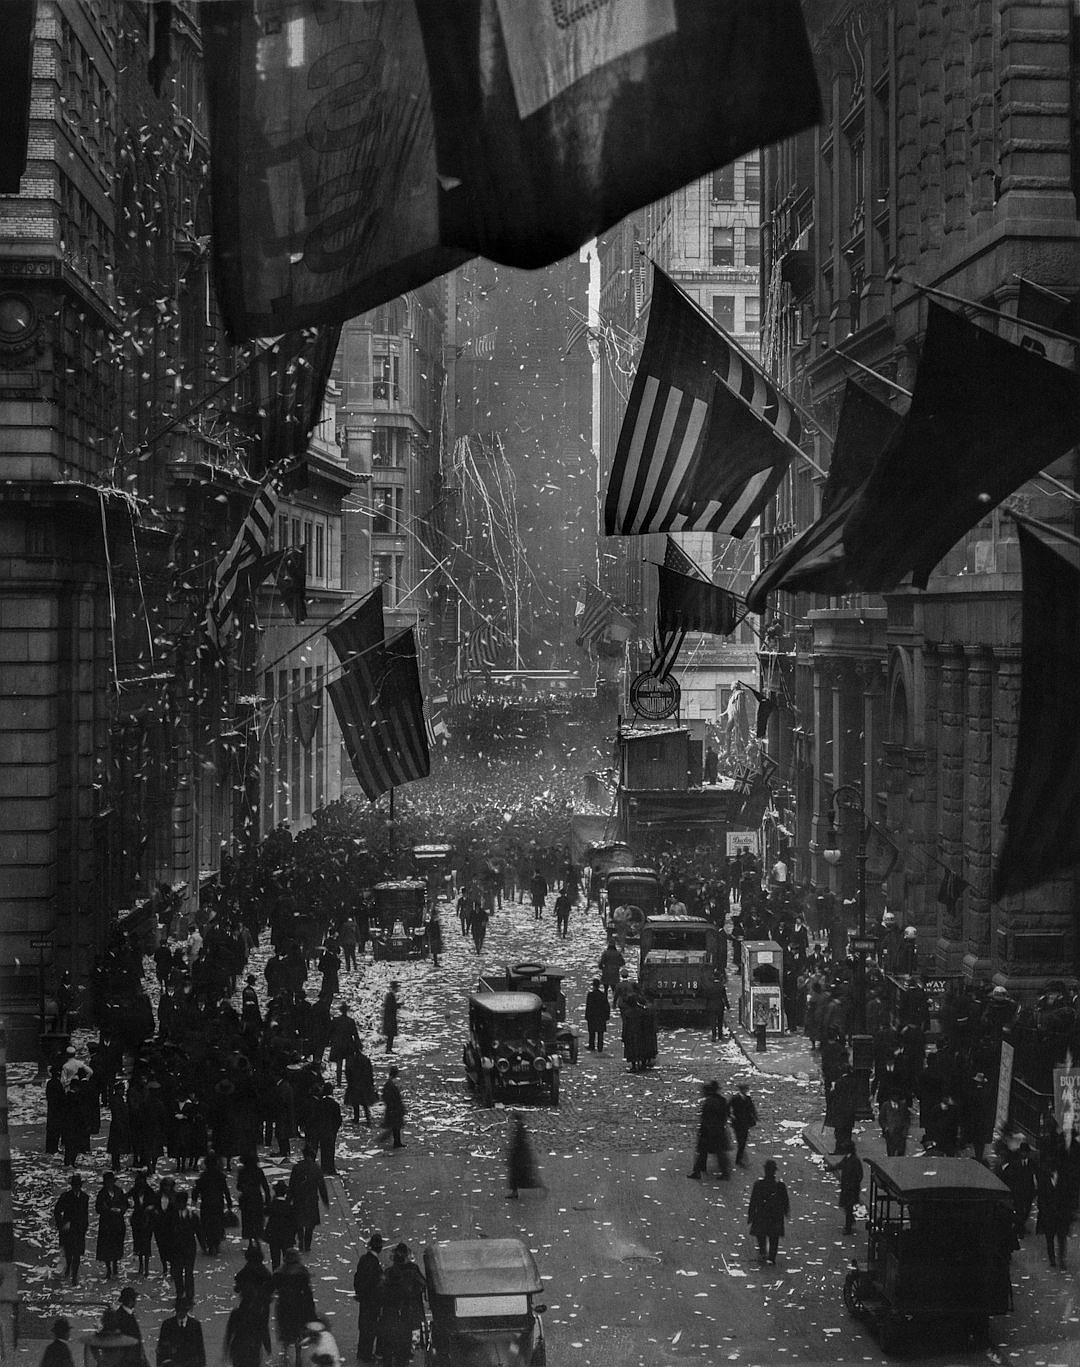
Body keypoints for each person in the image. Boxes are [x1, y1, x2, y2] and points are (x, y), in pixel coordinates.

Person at [377, 1244, 426, 1367]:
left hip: (390, 1316)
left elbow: (380, 1292)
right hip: (406, 1315)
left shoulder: (388, 1273)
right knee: (403, 1350)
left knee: (388, 1349)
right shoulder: (413, 1270)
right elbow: (422, 1285)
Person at [271, 1250, 316, 1359]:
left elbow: (272, 1287)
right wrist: (311, 1308)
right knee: (298, 1328)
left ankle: (285, 1350)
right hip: (298, 1304)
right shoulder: (302, 1272)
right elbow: (307, 1291)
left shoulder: (279, 1272)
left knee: (285, 1327)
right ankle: (298, 1354)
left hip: (284, 1304)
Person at [747, 1159, 790, 1265]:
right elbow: (785, 1202)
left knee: (761, 1235)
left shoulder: (758, 1185)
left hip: (762, 1215)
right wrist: (786, 1212)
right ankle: (772, 1256)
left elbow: (753, 1202)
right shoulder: (780, 1186)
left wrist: (751, 1215)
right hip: (775, 1216)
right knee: (774, 1238)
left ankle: (763, 1252)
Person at [287, 1146, 329, 1253]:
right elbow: (321, 1186)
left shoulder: (297, 1167)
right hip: (311, 1200)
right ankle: (307, 1244)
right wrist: (325, 1200)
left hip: (299, 1199)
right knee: (310, 1224)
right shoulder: (316, 1168)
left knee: (299, 1222)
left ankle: (301, 1240)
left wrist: (288, 1199)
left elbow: (291, 1185)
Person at [353, 1233, 385, 1366]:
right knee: (370, 1327)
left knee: (364, 1326)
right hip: (372, 1301)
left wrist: (359, 1293)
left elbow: (357, 1278)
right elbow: (374, 1283)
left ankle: (362, 1351)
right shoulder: (375, 1264)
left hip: (364, 1299)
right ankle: (366, 1354)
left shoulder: (364, 1259)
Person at [192, 1152, 231, 1256]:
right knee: (217, 1224)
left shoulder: (203, 1177)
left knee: (206, 1224)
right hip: (218, 1203)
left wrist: (194, 1201)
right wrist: (229, 1203)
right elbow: (226, 1190)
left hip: (206, 1203)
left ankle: (210, 1244)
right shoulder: (220, 1176)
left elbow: (196, 1191)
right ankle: (216, 1243)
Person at [53, 1173, 89, 1284]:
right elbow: (57, 1211)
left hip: (79, 1228)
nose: (77, 1187)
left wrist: (85, 1226)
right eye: (75, 1185)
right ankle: (69, 1267)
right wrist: (63, 1224)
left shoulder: (84, 1197)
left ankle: (74, 1275)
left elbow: (85, 1213)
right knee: (69, 1252)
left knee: (77, 1253)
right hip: (68, 1229)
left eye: (78, 1185)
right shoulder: (66, 1197)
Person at [1037, 1157, 1073, 1269]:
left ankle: (1061, 1259)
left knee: (1061, 1239)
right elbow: (1041, 1197)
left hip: (1061, 1215)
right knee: (1050, 1239)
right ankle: (1052, 1259)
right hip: (1049, 1215)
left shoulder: (1064, 1180)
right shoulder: (1043, 1179)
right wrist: (1044, 1211)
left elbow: (1068, 1197)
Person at [224, 1289, 271, 1367]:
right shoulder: (257, 1315)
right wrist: (267, 1347)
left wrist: (226, 1349)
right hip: (253, 1349)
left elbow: (229, 1333)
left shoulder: (236, 1313)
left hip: (238, 1348)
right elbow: (264, 1331)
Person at [825, 1141, 864, 1235]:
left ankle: (848, 1227)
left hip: (851, 1188)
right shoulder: (848, 1158)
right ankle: (851, 1220)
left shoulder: (854, 1160)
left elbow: (859, 1175)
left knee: (848, 1206)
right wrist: (830, 1168)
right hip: (846, 1187)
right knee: (847, 1206)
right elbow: (840, 1165)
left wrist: (854, 1184)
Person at [96, 1170, 129, 1277]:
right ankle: (108, 1268)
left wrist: (120, 1210)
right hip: (106, 1223)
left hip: (117, 1222)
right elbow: (98, 1208)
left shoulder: (119, 1191)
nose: (109, 1184)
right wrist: (108, 1210)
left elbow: (125, 1204)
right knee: (106, 1246)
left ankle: (115, 1265)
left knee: (116, 1244)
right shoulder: (101, 1194)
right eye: (107, 1182)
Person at [156, 1297, 205, 1367]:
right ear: (175, 1309)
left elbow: (200, 1350)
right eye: (178, 1310)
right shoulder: (167, 1325)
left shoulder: (195, 1325)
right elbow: (161, 1349)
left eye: (183, 1310)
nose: (180, 1312)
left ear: (187, 1310)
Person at [236, 1153, 272, 1243]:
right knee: (257, 1219)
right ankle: (257, 1236)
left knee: (247, 1219)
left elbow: (238, 1186)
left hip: (246, 1199)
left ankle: (250, 1240)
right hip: (256, 1198)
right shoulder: (258, 1171)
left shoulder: (242, 1172)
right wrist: (268, 1200)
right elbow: (265, 1186)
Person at [506, 1113, 543, 1199]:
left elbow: (519, 1143)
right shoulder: (520, 1129)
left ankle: (515, 1192)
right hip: (519, 1155)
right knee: (519, 1175)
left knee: (517, 1175)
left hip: (518, 1156)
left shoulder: (519, 1129)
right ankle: (515, 1191)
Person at [265, 1182, 297, 1272]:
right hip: (287, 1237)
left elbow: (265, 1212)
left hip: (274, 1236)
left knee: (275, 1260)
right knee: (288, 1260)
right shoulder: (289, 1207)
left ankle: (276, 1278)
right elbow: (294, 1223)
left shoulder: (272, 1205)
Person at [327, 1004, 360, 1086]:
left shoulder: (335, 1020)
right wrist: (358, 1046)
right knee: (348, 1065)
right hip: (348, 1044)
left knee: (339, 1065)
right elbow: (355, 1035)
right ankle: (349, 1081)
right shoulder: (350, 1021)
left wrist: (330, 1042)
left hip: (338, 1044)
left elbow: (330, 1033)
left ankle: (339, 1082)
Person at [729, 1081, 758, 1167]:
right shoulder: (735, 1098)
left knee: (743, 1141)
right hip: (737, 1123)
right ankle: (739, 1159)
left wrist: (755, 1116)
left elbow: (752, 1109)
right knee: (740, 1141)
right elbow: (727, 1107)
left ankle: (739, 1158)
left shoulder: (748, 1098)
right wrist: (730, 1116)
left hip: (745, 1123)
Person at [380, 1067, 406, 1149]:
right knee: (396, 1126)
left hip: (393, 1108)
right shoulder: (391, 1084)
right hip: (394, 1108)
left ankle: (397, 1142)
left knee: (395, 1126)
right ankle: (397, 1142)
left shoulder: (389, 1084)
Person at [584, 979, 610, 1052]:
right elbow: (607, 1007)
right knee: (600, 1032)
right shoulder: (603, 995)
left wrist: (587, 1016)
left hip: (592, 1016)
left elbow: (588, 1006)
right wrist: (607, 1016)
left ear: (593, 985)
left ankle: (591, 1046)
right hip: (601, 1016)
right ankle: (600, 1047)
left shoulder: (590, 995)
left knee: (591, 1032)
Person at [381, 984, 400, 1055]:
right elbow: (391, 1007)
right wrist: (398, 1005)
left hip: (390, 1018)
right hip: (390, 1019)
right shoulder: (390, 996)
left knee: (390, 1035)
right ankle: (388, 1049)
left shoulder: (390, 995)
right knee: (390, 1035)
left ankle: (389, 1049)